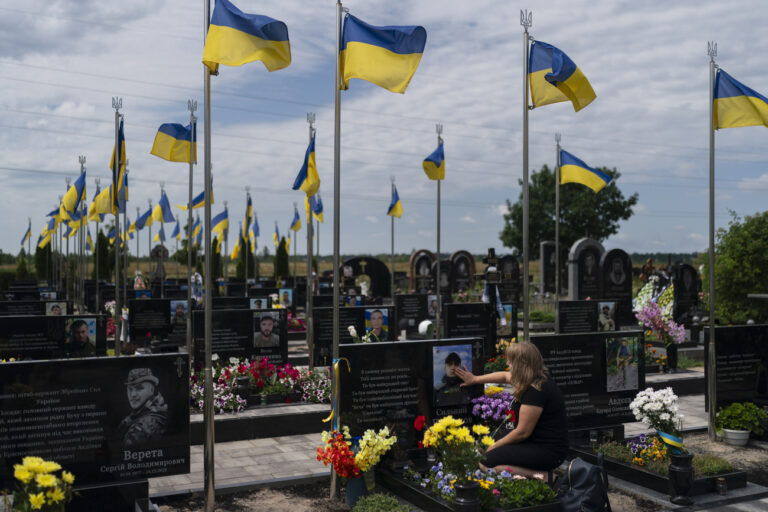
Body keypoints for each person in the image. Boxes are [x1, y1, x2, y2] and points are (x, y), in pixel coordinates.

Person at [454, 343, 568, 477]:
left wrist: (494, 447)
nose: (508, 363)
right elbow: (504, 376)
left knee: (486, 462)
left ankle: (545, 477)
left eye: (511, 360)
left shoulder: (536, 390)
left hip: (548, 450)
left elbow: (522, 433)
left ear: (521, 364)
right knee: (484, 444)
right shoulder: (531, 378)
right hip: (533, 441)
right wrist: (475, 379)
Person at [116, 368, 168, 446]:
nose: (133, 395)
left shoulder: (146, 424)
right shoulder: (139, 412)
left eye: (139, 388)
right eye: (130, 389)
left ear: (152, 390)